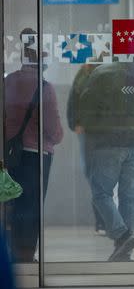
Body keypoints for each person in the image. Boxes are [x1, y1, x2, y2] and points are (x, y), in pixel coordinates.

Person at [76, 56, 134, 262]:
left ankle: (121, 235)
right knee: (129, 198)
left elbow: (85, 108)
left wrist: (95, 131)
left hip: (108, 144)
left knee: (100, 193)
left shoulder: (100, 74)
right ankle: (124, 251)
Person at [3, 28, 63, 262]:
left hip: (10, 153)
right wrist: (58, 136)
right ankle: (26, 253)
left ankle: (12, 249)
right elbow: (53, 130)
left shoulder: (8, 82)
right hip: (36, 154)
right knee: (32, 204)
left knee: (13, 202)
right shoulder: (44, 87)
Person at [67, 62, 106, 236]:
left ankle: (106, 221)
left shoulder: (106, 73)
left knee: (103, 175)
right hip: (88, 132)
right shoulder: (82, 74)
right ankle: (102, 221)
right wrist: (75, 123)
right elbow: (73, 101)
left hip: (104, 132)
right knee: (93, 175)